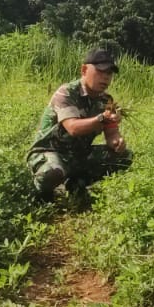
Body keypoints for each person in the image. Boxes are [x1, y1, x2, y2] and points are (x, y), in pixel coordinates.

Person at [28, 45, 132, 202]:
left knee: (124, 156)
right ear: (84, 70)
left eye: (109, 73)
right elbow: (73, 128)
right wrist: (102, 118)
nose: (106, 78)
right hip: (51, 151)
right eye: (101, 71)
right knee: (52, 172)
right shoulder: (66, 92)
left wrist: (117, 142)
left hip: (79, 154)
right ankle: (41, 194)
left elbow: (112, 134)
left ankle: (77, 185)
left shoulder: (106, 100)